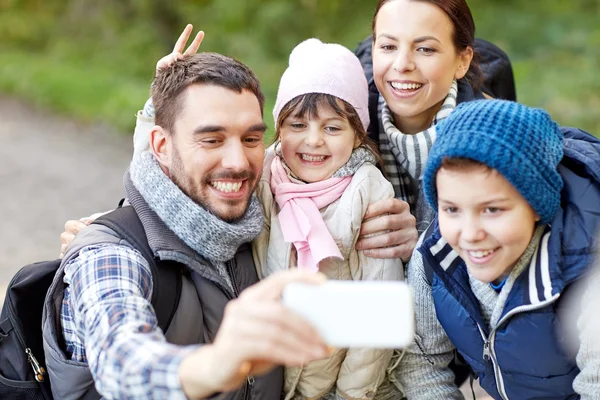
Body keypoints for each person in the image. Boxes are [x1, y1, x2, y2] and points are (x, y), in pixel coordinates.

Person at [43, 52, 333, 400]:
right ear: (161, 147)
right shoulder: (109, 255)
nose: (238, 162)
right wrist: (215, 365)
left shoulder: (257, 222)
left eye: (251, 139)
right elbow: (121, 356)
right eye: (211, 140)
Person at [400, 99, 600, 399]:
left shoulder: (589, 271)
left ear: (536, 206)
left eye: (492, 210)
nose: (469, 234)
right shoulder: (435, 255)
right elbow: (421, 361)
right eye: (452, 209)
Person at [250, 38, 402, 400]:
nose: (313, 141)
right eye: (298, 125)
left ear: (357, 136)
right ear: (279, 129)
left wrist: (351, 393)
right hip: (266, 375)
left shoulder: (367, 191)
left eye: (332, 128)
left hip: (336, 379)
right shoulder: (265, 177)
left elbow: (378, 308)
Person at [356, 0, 515, 236]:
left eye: (425, 49)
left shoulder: (500, 141)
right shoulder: (344, 126)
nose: (402, 65)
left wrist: (425, 249)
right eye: (388, 47)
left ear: (462, 61)